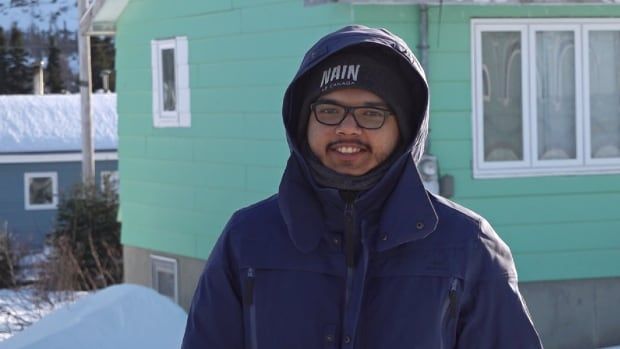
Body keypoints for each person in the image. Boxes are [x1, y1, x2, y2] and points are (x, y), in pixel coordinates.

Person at [181, 25, 543, 349]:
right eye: (329, 110)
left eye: (371, 113)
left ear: (404, 129)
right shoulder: (248, 240)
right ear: (302, 122)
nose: (348, 129)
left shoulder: (466, 246)